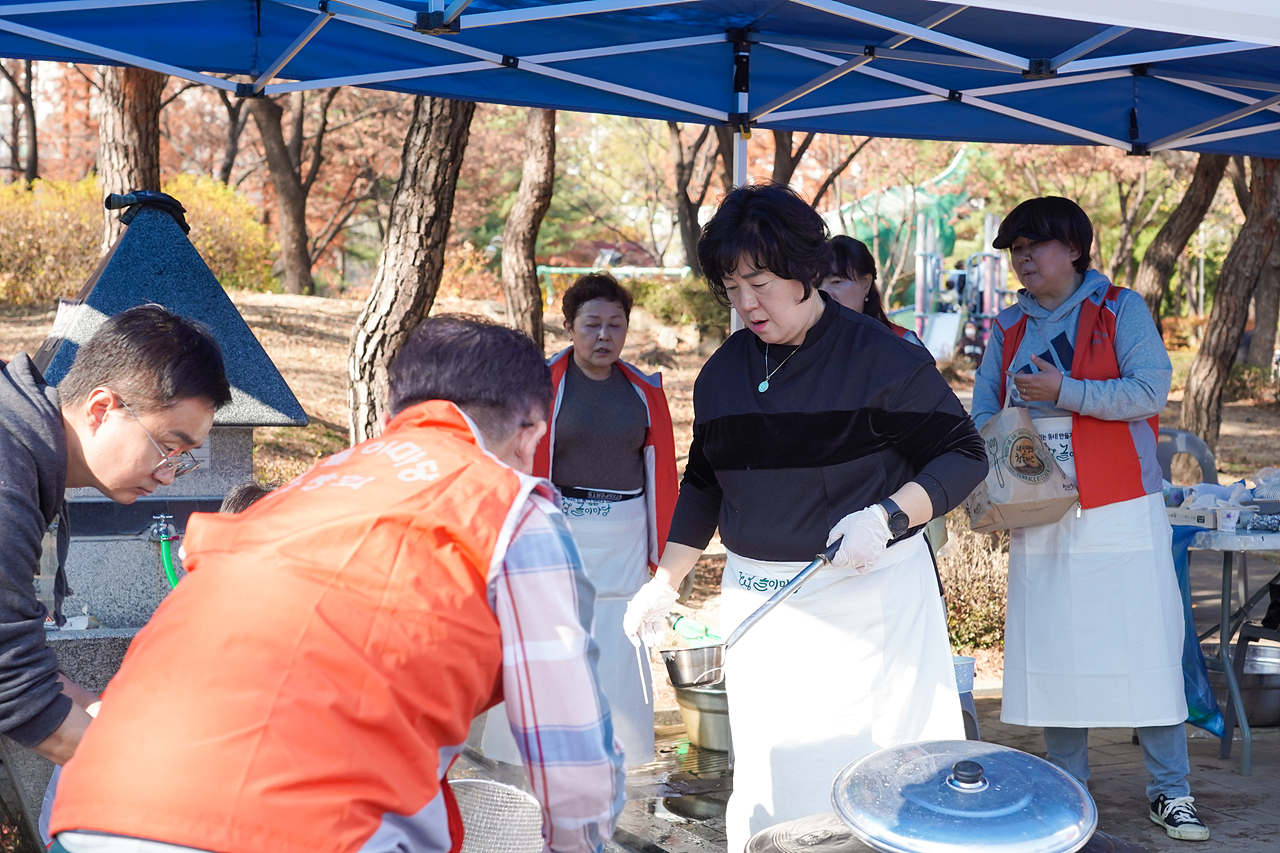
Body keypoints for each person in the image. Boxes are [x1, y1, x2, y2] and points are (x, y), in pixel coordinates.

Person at [50, 315, 626, 853]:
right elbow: (571, 759)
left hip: (90, 812)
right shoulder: (509, 506)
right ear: (531, 432)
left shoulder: (312, 484)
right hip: (303, 831)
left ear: (389, 418)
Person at [622, 184, 988, 852]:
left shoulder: (881, 358)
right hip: (764, 602)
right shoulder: (722, 375)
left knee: (876, 775)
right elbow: (705, 483)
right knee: (773, 766)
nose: (746, 303)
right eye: (732, 286)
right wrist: (664, 580)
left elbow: (964, 455)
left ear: (805, 270)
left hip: (866, 596)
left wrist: (889, 514)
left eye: (759, 282)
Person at [972, 196, 1207, 842]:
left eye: (1034, 245)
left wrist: (1065, 393)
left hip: (1123, 508)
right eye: (1014, 248)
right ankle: (1067, 792)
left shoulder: (1120, 309)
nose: (1022, 258)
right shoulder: (1007, 328)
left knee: (1147, 649)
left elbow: (1150, 391)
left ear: (1074, 249)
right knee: (1055, 654)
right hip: (1040, 509)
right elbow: (982, 411)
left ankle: (1172, 791)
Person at [0, 304, 229, 767]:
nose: (169, 476)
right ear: (101, 408)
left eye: (184, 457)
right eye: (167, 447)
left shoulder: (25, 448)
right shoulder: (7, 476)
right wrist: (170, 778)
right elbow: (13, 686)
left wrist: (104, 715)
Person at [483, 273, 677, 768]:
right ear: (569, 325)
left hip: (625, 537)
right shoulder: (537, 387)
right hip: (556, 529)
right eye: (592, 324)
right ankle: (526, 759)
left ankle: (623, 755)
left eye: (616, 324)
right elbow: (510, 463)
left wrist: (668, 560)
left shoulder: (644, 392)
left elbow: (661, 475)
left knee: (618, 639)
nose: (604, 335)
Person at [821, 234, 924, 346]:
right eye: (817, 284)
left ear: (866, 283)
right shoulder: (806, 348)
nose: (824, 293)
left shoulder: (902, 343)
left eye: (836, 282)